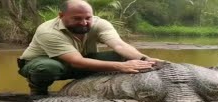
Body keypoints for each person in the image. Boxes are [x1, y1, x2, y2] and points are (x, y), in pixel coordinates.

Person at [18, 0, 160, 96]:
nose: (84, 22)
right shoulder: (48, 31)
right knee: (47, 67)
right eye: (77, 18)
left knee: (123, 56)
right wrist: (121, 66)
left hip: (80, 62)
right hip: (45, 64)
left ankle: (106, 90)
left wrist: (145, 59)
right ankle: (38, 92)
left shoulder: (99, 23)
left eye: (88, 18)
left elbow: (119, 45)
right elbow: (76, 61)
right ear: (61, 16)